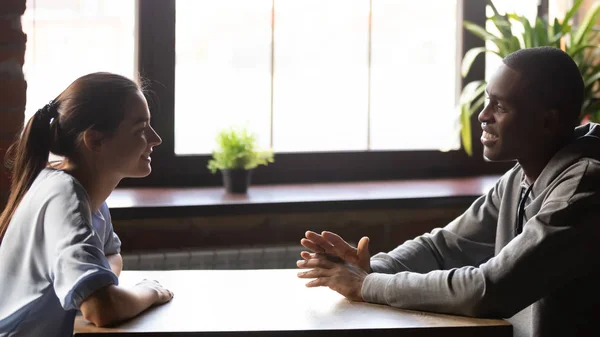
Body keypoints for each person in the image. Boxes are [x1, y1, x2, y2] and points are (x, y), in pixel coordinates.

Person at [297, 46, 600, 337]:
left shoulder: (584, 189)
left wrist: (366, 285)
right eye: (486, 100)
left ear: (547, 121)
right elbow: (441, 247)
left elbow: (489, 289)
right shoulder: (520, 177)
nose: (482, 116)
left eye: (500, 106)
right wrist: (372, 268)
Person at [0, 73, 174, 337]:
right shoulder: (65, 198)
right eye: (140, 129)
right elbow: (101, 308)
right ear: (95, 141)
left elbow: (110, 257)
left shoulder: (85, 192)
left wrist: (101, 284)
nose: (155, 138)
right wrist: (150, 291)